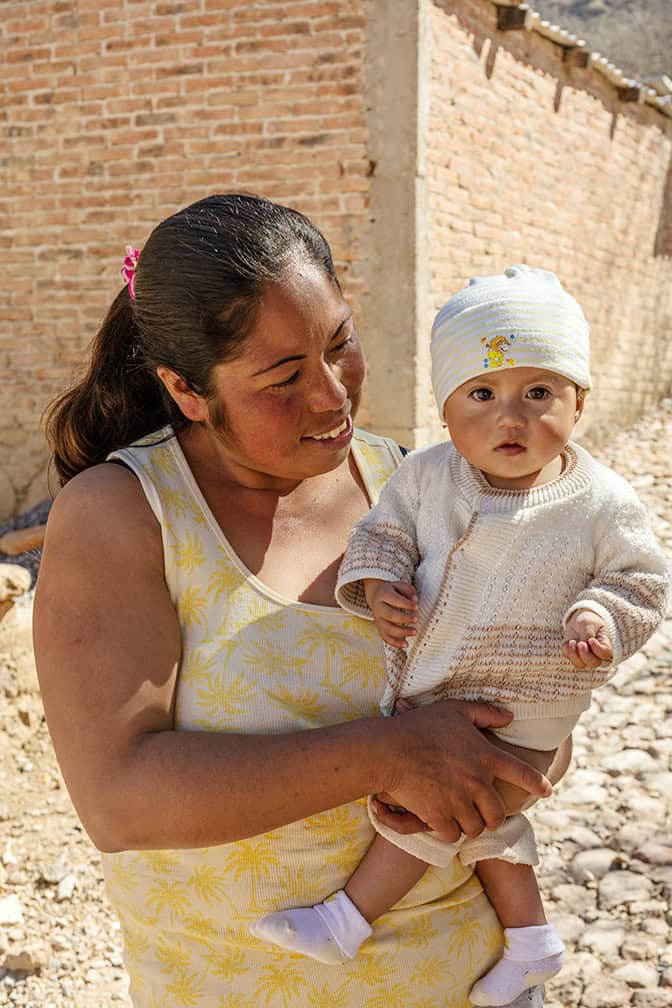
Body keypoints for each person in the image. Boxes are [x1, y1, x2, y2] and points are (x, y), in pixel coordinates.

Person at [33, 197, 562, 1008]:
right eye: (283, 377)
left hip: (460, 975)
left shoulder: (424, 488)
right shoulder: (129, 513)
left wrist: (523, 744)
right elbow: (120, 799)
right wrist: (394, 754)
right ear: (185, 389)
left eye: (341, 343)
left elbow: (513, 709)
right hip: (234, 985)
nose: (331, 394)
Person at [251, 265, 670, 1006]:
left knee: (432, 815)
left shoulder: (600, 500)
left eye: (539, 394)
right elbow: (383, 534)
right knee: (482, 823)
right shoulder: (424, 478)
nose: (511, 419)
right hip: (439, 684)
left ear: (580, 401)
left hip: (530, 706)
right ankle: (533, 943)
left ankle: (348, 919)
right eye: (482, 395)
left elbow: (642, 579)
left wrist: (598, 616)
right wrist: (377, 587)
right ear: (445, 410)